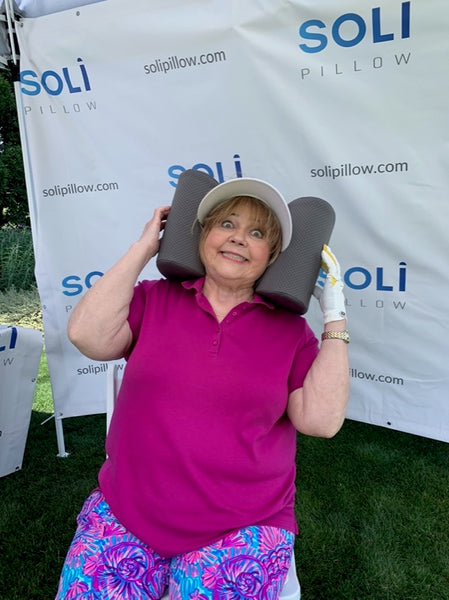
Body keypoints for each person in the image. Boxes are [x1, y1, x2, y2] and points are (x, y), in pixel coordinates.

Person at [56, 177, 349, 600]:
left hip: (243, 525)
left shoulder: (292, 333)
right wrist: (144, 247)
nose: (239, 238)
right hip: (127, 511)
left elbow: (321, 422)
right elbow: (87, 336)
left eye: (257, 233)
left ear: (271, 256)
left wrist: (335, 314)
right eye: (227, 224)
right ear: (202, 235)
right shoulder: (153, 299)